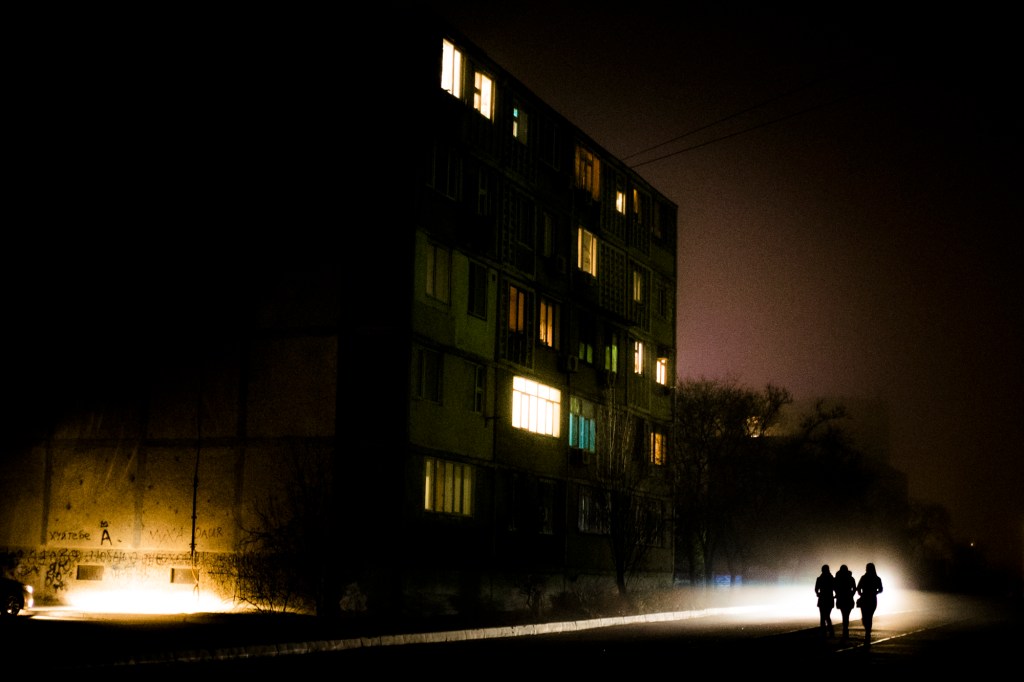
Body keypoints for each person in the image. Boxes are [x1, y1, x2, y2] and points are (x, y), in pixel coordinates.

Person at [856, 562, 884, 643]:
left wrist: (861, 594)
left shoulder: (863, 578)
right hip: (872, 599)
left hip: (865, 598)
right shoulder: (877, 578)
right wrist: (876, 592)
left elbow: (858, 588)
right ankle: (868, 631)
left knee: (865, 617)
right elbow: (881, 589)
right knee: (869, 616)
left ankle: (867, 631)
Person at [833, 564, 856, 639]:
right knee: (846, 614)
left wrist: (837, 594)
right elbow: (854, 588)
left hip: (841, 598)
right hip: (849, 598)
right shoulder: (851, 578)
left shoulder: (837, 578)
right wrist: (851, 594)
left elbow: (834, 587)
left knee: (844, 614)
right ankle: (845, 629)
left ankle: (845, 629)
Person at [814, 564, 835, 637]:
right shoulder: (832, 578)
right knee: (827, 615)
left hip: (822, 599)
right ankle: (831, 631)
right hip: (829, 599)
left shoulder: (819, 579)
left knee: (823, 617)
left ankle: (824, 632)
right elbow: (835, 588)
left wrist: (818, 594)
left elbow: (816, 589)